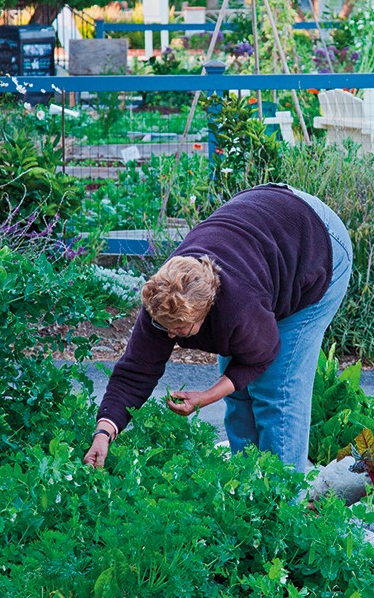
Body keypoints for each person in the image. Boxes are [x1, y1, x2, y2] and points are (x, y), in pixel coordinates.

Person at [84, 184, 352, 472]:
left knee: (276, 390)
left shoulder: (238, 307)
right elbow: (136, 370)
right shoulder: (163, 299)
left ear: (207, 309)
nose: (171, 336)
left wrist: (206, 396)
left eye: (181, 330)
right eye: (166, 329)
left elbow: (261, 355)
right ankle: (248, 487)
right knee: (238, 392)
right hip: (265, 225)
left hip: (318, 245)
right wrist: (104, 433)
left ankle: (284, 502)